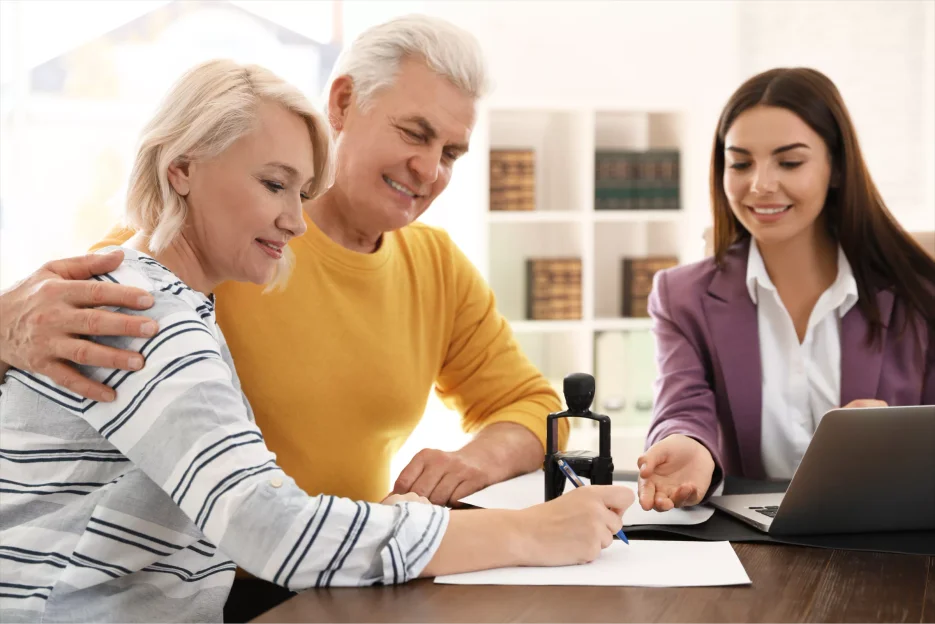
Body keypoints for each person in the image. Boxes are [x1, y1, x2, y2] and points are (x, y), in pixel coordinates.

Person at [0, 58, 635, 624]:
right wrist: (528, 533)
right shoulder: (143, 314)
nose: (294, 220)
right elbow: (273, 529)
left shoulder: (171, 299)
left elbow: (523, 397)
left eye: (302, 192)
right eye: (273, 185)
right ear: (182, 169)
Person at [0, 15, 565, 511]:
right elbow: (54, 324)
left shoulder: (436, 266)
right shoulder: (220, 236)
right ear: (343, 103)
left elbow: (535, 406)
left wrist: (476, 462)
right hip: (222, 586)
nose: (429, 169)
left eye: (450, 153)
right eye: (414, 133)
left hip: (351, 563)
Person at [636, 67, 935, 513]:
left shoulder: (918, 292)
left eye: (789, 162)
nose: (760, 185)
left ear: (836, 168)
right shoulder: (681, 297)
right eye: (740, 163)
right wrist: (689, 445)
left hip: (890, 547)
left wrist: (896, 444)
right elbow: (682, 404)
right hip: (750, 552)